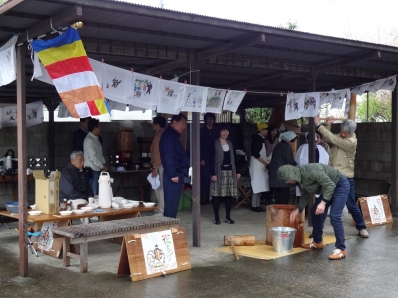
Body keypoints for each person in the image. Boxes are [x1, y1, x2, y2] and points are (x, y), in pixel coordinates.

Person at [278, 163, 350, 260]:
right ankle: (317, 242)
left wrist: (323, 203)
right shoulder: (301, 179)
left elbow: (330, 185)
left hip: (339, 185)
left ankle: (341, 249)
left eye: (287, 179)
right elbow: (307, 192)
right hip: (329, 188)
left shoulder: (310, 172)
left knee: (335, 216)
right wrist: (298, 209)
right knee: (314, 212)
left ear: (291, 175)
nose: (287, 182)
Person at [314, 116, 369, 238]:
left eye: (346, 133)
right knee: (323, 203)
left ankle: (362, 227)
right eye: (342, 131)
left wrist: (319, 126)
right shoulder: (339, 137)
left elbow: (332, 138)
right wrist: (327, 125)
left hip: (346, 178)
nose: (343, 134)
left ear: (351, 133)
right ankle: (318, 231)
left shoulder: (351, 142)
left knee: (351, 204)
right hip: (332, 176)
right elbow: (329, 138)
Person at [209, 124, 241, 225]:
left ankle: (228, 216)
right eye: (223, 131)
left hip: (230, 172)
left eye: (227, 131)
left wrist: (238, 171)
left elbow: (235, 158)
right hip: (218, 172)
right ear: (219, 132)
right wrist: (213, 173)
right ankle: (216, 217)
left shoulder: (230, 143)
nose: (225, 133)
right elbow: (210, 159)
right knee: (217, 195)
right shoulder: (214, 143)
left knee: (229, 195)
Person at [159, 113, 190, 218]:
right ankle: (169, 228)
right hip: (173, 174)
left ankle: (170, 225)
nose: (183, 127)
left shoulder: (173, 136)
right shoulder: (169, 136)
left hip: (177, 173)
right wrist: (173, 174)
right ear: (174, 122)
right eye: (182, 124)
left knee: (173, 202)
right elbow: (168, 156)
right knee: (171, 202)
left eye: (185, 125)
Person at [267, 131, 297, 204]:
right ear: (288, 140)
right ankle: (282, 214)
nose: (293, 143)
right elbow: (289, 162)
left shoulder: (278, 146)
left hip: (274, 175)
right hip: (283, 177)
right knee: (284, 198)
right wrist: (296, 164)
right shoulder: (287, 147)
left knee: (277, 198)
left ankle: (278, 214)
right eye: (293, 141)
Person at [83, 118, 107, 196]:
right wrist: (101, 166)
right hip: (93, 170)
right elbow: (93, 157)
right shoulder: (89, 140)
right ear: (95, 128)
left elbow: (99, 155)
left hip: (97, 169)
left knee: (98, 192)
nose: (101, 128)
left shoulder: (95, 139)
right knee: (93, 193)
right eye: (99, 126)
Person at [249, 122, 269, 212]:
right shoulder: (257, 139)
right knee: (256, 185)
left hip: (260, 165)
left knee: (260, 185)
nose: (267, 131)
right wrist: (265, 163)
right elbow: (256, 154)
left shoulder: (261, 139)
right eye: (265, 129)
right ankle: (254, 205)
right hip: (257, 165)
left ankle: (257, 204)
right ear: (261, 130)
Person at [150, 116, 166, 215]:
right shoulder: (165, 134)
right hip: (163, 164)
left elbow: (157, 153)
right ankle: (161, 207)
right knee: (161, 188)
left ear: (157, 125)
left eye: (153, 124)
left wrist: (155, 167)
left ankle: (161, 210)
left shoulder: (158, 136)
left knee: (160, 188)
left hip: (159, 165)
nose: (152, 126)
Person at [200, 112, 218, 205]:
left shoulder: (216, 131)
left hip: (215, 157)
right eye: (208, 119)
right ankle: (203, 198)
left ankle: (214, 197)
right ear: (205, 120)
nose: (210, 121)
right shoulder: (202, 131)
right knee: (205, 178)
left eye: (212, 119)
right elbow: (198, 146)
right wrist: (201, 159)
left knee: (215, 176)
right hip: (205, 158)